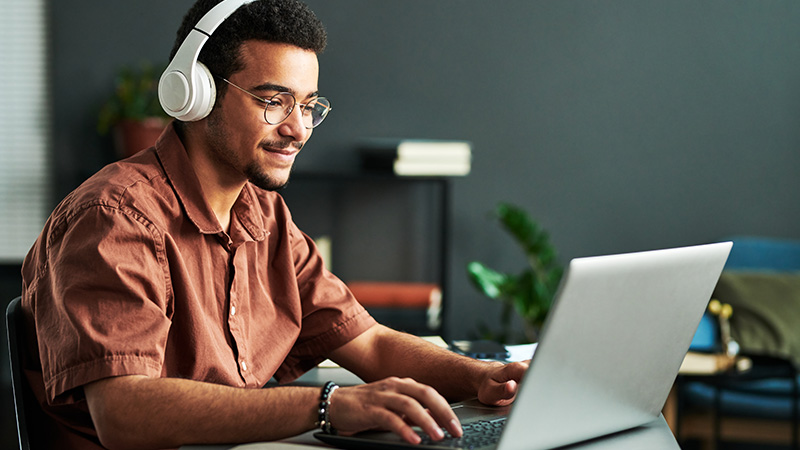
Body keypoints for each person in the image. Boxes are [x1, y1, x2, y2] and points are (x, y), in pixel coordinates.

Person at [20, 1, 528, 449]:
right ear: (195, 94)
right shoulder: (113, 217)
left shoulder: (264, 214)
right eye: (273, 101)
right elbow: (122, 412)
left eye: (308, 106)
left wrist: (483, 377)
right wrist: (327, 406)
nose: (297, 129)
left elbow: (367, 343)